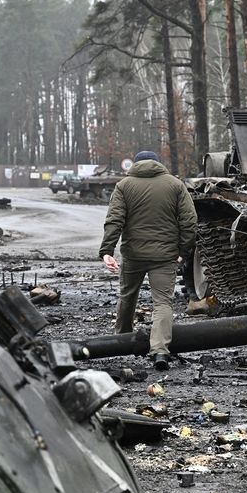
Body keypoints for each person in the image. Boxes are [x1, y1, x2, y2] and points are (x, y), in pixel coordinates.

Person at [99, 150, 197, 370]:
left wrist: (107, 251)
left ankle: (123, 339)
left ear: (135, 164)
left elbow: (114, 220)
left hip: (133, 255)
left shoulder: (124, 186)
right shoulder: (175, 185)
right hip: (165, 256)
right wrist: (184, 250)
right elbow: (190, 221)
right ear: (157, 163)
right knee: (162, 302)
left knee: (127, 295)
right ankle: (160, 351)